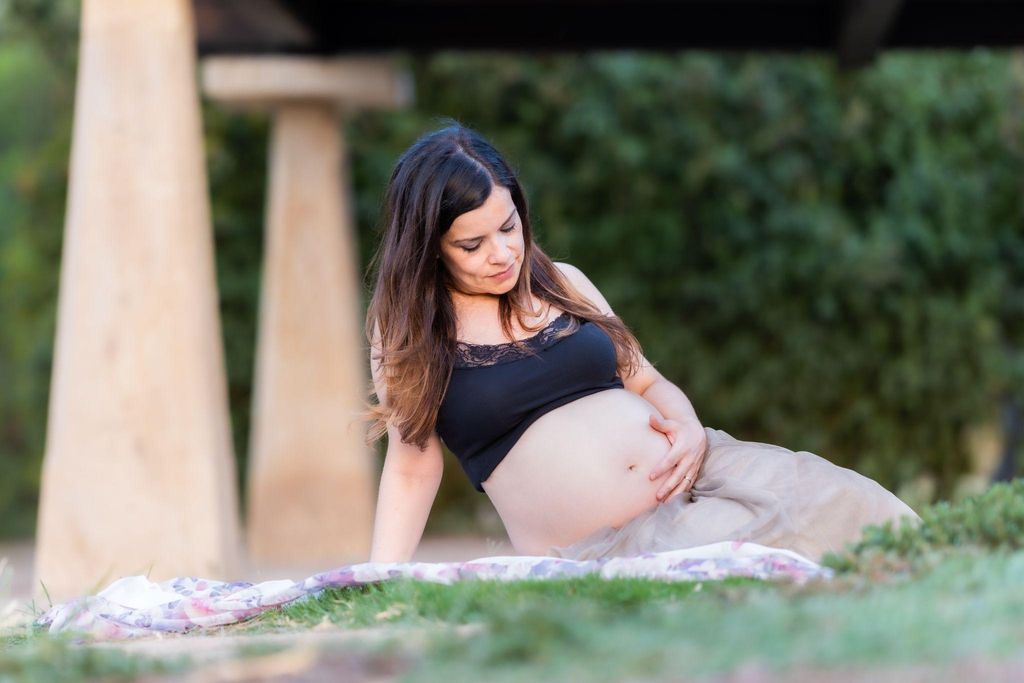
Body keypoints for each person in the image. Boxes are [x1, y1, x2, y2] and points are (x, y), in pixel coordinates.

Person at [363, 122, 918, 564]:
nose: (503, 253)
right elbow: (412, 465)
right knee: (779, 562)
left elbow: (646, 380)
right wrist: (381, 577)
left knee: (862, 508)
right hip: (614, 540)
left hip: (706, 470)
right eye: (472, 244)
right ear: (429, 247)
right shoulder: (410, 332)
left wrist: (690, 429)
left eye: (509, 226)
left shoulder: (564, 279)